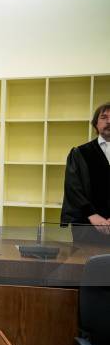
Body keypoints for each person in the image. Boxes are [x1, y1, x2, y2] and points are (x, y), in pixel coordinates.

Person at [61, 102, 110, 244]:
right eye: (104, 117)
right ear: (95, 123)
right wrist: (92, 214)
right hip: (87, 226)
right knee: (86, 263)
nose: (109, 121)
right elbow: (73, 187)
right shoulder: (80, 153)